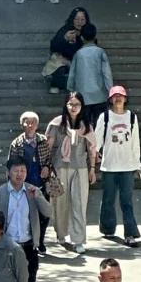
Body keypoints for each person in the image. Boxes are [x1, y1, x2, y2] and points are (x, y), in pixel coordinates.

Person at [46, 91, 97, 253]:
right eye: (71, 104)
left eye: (77, 104)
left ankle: (78, 239)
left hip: (81, 168)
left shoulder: (86, 125)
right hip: (61, 167)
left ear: (81, 107)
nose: (73, 107)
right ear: (66, 105)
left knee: (79, 204)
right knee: (60, 204)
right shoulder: (57, 124)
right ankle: (61, 233)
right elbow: (48, 146)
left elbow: (91, 149)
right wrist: (46, 166)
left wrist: (92, 169)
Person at [94, 86, 141, 246]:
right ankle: (108, 228)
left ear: (125, 99)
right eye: (115, 96)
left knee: (126, 201)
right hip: (109, 166)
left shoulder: (131, 117)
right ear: (110, 99)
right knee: (108, 199)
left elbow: (135, 142)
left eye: (120, 96)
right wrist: (94, 155)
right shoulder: (105, 117)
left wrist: (138, 164)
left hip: (127, 166)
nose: (118, 99)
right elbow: (97, 139)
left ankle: (130, 234)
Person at [7, 110, 53, 254]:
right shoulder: (17, 143)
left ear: (37, 125)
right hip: (24, 184)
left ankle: (41, 240)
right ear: (22, 125)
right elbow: (11, 163)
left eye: (33, 122)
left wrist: (46, 167)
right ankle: (31, 240)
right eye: (27, 122)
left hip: (41, 182)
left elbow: (49, 159)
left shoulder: (43, 141)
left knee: (44, 214)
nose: (30, 125)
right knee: (28, 213)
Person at [68, 23, 113, 127]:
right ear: (95, 36)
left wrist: (70, 89)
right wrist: (110, 91)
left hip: (82, 96)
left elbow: (72, 75)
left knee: (84, 125)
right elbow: (107, 73)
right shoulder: (100, 52)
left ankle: (86, 142)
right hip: (100, 95)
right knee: (100, 125)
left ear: (82, 37)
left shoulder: (78, 54)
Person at [47, 6, 91, 90]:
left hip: (83, 60)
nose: (80, 22)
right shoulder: (65, 30)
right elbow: (54, 47)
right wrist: (65, 39)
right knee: (59, 65)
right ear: (72, 19)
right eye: (77, 19)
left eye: (82, 19)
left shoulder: (88, 31)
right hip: (66, 60)